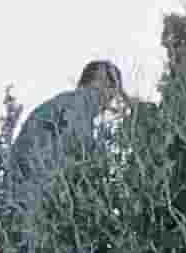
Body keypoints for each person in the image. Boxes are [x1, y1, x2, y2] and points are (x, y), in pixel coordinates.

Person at [7, 60, 128, 211]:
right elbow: (78, 144)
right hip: (39, 187)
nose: (111, 98)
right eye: (112, 88)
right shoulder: (81, 101)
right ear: (100, 81)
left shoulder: (63, 102)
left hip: (20, 188)